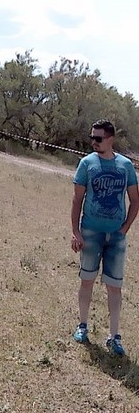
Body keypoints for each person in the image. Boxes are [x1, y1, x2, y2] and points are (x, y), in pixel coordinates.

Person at [70, 119, 139, 355]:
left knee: (114, 287)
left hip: (116, 236)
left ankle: (114, 336)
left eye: (98, 138)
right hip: (91, 232)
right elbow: (77, 199)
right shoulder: (86, 163)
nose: (93, 142)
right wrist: (75, 231)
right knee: (87, 280)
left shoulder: (125, 166)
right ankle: (82, 326)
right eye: (92, 137)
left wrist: (124, 229)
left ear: (111, 139)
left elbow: (135, 200)